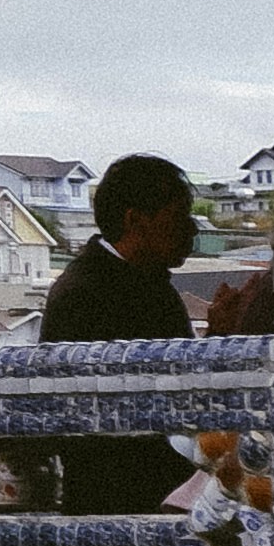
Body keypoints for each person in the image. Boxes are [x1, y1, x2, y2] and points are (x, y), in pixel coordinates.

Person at [34, 155, 204, 509]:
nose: (191, 229)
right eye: (178, 216)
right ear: (135, 220)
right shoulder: (87, 292)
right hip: (121, 494)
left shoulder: (143, 279)